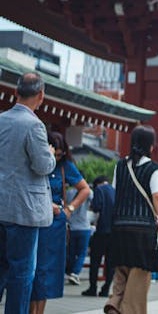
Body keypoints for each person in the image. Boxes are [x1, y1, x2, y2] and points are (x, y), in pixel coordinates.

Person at [0, 73, 56, 314]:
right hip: (24, 211)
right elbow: (43, 165)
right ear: (41, 95)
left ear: (16, 92)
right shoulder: (34, 124)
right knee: (22, 274)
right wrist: (51, 153)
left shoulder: (1, 119)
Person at [105, 124, 158, 314]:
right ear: (150, 146)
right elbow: (157, 196)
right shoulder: (153, 168)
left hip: (119, 226)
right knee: (139, 274)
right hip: (142, 230)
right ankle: (130, 310)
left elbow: (117, 192)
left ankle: (114, 303)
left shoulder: (120, 166)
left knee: (122, 270)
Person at [31, 131, 91, 314]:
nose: (56, 158)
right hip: (32, 220)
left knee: (46, 272)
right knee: (29, 270)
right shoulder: (34, 161)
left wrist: (69, 209)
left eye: (59, 155)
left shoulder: (65, 166)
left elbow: (85, 189)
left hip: (54, 225)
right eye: (53, 154)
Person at [83, 175, 116, 297]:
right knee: (110, 263)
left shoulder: (99, 190)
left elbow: (97, 206)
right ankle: (106, 289)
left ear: (97, 184)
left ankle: (92, 288)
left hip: (102, 231)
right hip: (114, 232)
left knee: (95, 261)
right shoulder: (115, 190)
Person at [65, 185, 93, 286]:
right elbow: (93, 204)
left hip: (72, 227)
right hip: (84, 227)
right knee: (82, 253)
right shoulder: (88, 192)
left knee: (71, 252)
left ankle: (69, 271)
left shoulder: (69, 193)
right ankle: (75, 273)